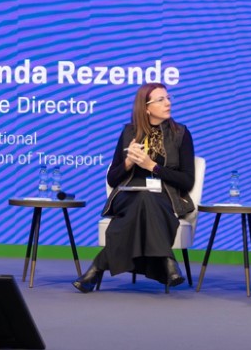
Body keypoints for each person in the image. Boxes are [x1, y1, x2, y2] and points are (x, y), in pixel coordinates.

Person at [73, 83, 196, 293]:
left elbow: (187, 181)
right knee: (141, 199)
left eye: (168, 98)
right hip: (128, 196)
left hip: (164, 197)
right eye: (161, 100)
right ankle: (167, 260)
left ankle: (96, 268)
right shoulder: (129, 132)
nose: (168, 103)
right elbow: (112, 179)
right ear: (146, 108)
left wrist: (153, 167)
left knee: (146, 201)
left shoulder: (180, 133)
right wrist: (128, 163)